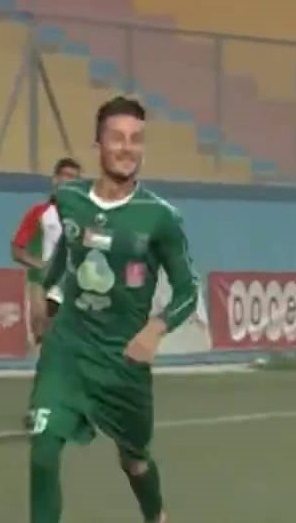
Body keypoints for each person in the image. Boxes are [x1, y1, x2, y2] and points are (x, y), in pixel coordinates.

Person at [27, 96, 198, 523]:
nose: (127, 148)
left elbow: (188, 289)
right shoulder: (69, 199)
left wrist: (155, 329)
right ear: (99, 144)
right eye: (117, 138)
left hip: (122, 363)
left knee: (135, 462)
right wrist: (46, 296)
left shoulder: (160, 217)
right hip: (68, 351)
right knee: (43, 449)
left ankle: (156, 516)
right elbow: (65, 254)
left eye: (136, 139)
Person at [12, 158, 81, 349]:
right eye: (66, 176)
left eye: (75, 178)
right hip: (43, 285)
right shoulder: (39, 213)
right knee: (43, 339)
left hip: (71, 286)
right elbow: (17, 251)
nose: (70, 182)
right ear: (55, 179)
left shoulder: (84, 217)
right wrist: (41, 266)